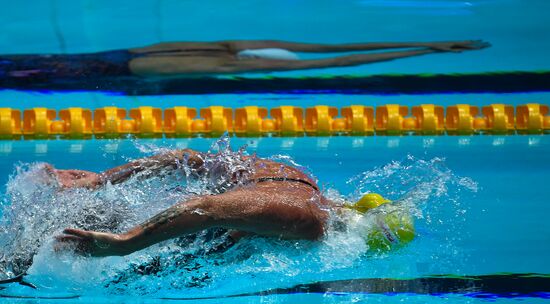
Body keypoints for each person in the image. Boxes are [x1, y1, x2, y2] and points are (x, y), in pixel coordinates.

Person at [52, 148, 414, 257]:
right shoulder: (307, 221)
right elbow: (205, 208)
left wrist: (103, 179)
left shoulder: (289, 175)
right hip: (170, 225)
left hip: (174, 220)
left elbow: (185, 158)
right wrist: (126, 244)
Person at [1, 39, 489, 79]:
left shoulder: (230, 45)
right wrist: (425, 48)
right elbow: (335, 62)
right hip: (114, 71)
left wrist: (433, 43)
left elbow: (331, 50)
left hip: (115, 56)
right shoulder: (238, 63)